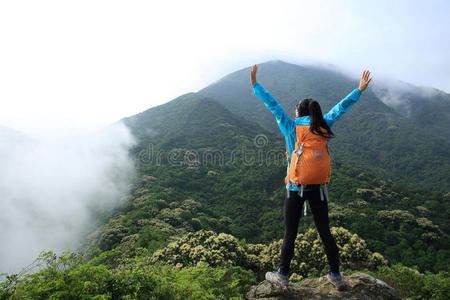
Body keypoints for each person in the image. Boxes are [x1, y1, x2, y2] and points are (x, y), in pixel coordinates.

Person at [250, 64, 372, 290]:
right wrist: (359, 90)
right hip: (319, 188)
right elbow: (339, 109)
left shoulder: (291, 126)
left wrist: (256, 86)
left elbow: (273, 105)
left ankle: (283, 275)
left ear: (298, 113)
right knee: (325, 231)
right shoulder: (323, 125)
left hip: (296, 188)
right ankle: (336, 275)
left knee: (290, 233)